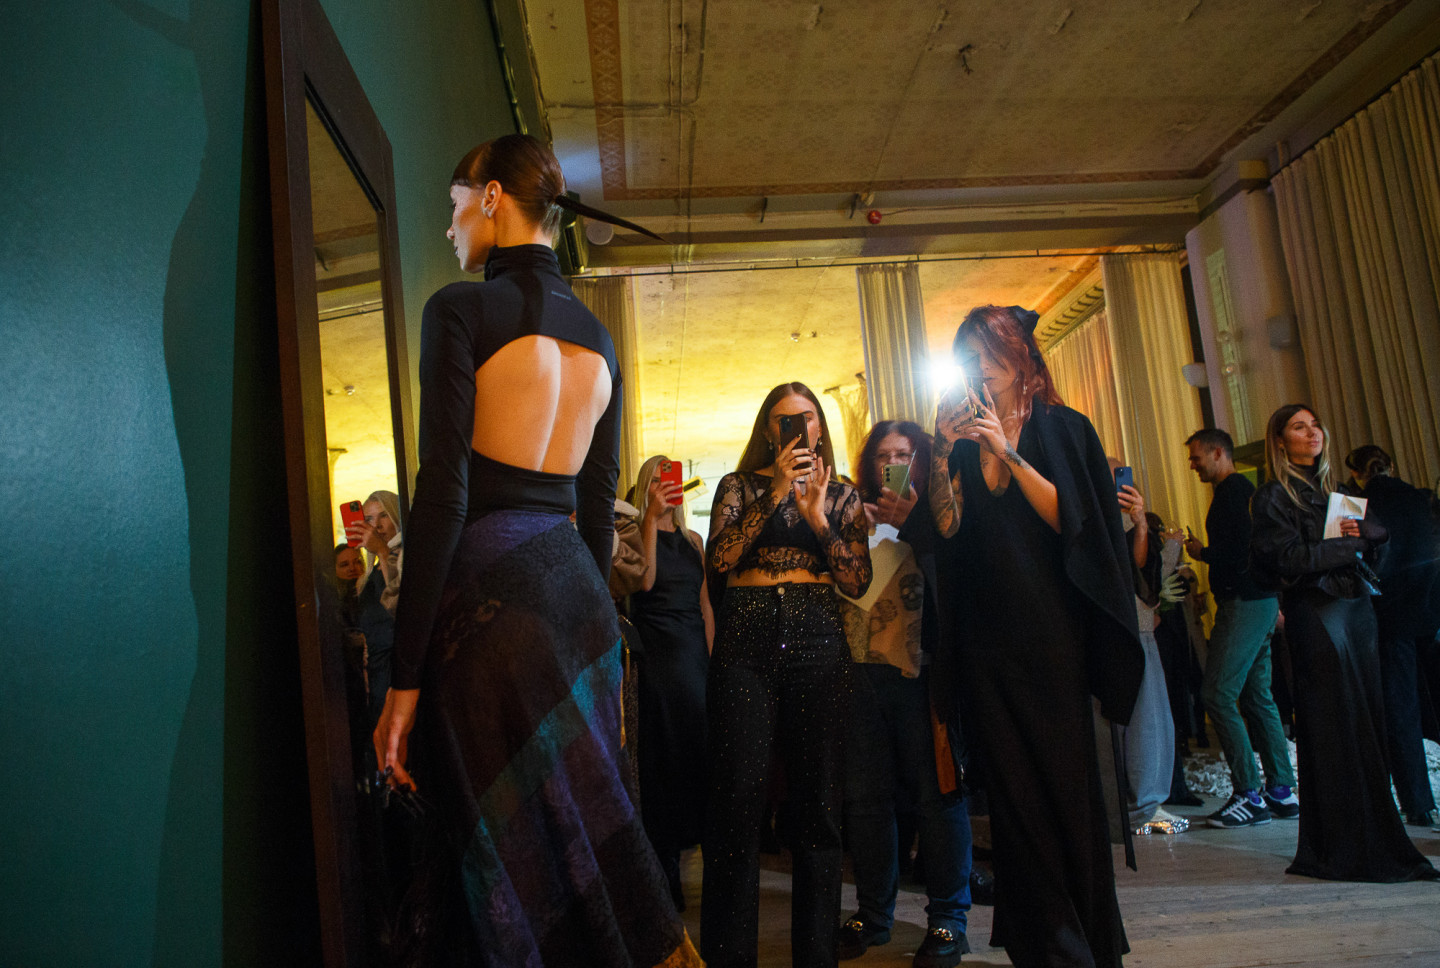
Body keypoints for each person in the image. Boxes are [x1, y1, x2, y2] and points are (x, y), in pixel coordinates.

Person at [373, 134, 699, 965]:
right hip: (578, 604)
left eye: (454, 207)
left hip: (490, 609)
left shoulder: (457, 311)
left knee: (500, 870)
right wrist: (597, 635)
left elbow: (443, 497)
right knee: (584, 846)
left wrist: (403, 682)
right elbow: (598, 500)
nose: (450, 227)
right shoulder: (601, 340)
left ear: (490, 197)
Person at [930, 305, 1142, 968]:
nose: (979, 366)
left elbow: (1077, 524)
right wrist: (942, 452)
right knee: (1014, 800)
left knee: (1064, 789)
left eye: (989, 351)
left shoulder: (1064, 427)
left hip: (1052, 639)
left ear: (1021, 354)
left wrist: (1006, 450)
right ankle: (1041, 942)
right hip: (984, 643)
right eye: (969, 356)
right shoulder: (965, 441)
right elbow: (945, 529)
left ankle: (1081, 940)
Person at [703, 382, 872, 968]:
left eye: (806, 418)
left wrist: (817, 516)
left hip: (817, 634)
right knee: (736, 801)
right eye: (783, 420)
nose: (795, 428)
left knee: (819, 807)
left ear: (820, 428)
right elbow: (721, 559)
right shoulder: (738, 485)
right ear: (768, 431)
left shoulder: (843, 495)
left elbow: (856, 582)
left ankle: (817, 957)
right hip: (745, 635)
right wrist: (777, 490)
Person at [1249, 404, 1437, 882]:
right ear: (1280, 440)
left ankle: (1371, 838)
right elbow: (1285, 560)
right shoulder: (1273, 496)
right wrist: (1350, 544)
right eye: (1299, 427)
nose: (1312, 432)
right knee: (1334, 726)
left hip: (1356, 612)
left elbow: (1373, 554)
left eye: (1315, 425)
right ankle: (1342, 847)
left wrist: (1373, 538)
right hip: (1316, 614)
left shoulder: (1338, 491)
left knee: (1366, 723)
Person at [835, 420, 973, 968]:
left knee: (937, 798)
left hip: (924, 674)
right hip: (860, 675)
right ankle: (873, 915)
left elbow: (958, 575)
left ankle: (949, 921)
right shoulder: (851, 515)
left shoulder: (941, 512)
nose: (892, 463)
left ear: (920, 460)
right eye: (883, 455)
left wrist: (912, 522)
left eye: (904, 454)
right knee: (867, 802)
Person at [1182, 428, 1299, 828]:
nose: (1193, 465)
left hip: (1244, 602)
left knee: (1216, 694)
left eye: (1197, 457)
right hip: (1260, 601)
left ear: (1218, 453)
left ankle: (1249, 794)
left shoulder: (1232, 493)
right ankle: (1281, 790)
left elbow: (1240, 550)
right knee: (1257, 697)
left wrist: (1203, 553)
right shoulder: (1242, 492)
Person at [629, 454, 715, 911]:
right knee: (661, 762)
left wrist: (714, 661)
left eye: (672, 478)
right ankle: (666, 874)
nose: (667, 485)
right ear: (646, 487)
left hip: (693, 656)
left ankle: (706, 861)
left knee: (699, 757)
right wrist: (650, 517)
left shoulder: (694, 541)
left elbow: (705, 606)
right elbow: (644, 584)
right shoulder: (632, 536)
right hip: (657, 657)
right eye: (657, 480)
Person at [1343, 445, 1440, 827]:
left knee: (1401, 710)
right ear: (1392, 465)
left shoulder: (1358, 504)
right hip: (1429, 608)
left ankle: (1418, 803)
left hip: (1390, 614)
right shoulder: (1419, 496)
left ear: (1356, 473)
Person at [1112, 476, 1186, 836]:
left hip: (1137, 623)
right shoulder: (1089, 513)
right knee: (1144, 719)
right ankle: (1141, 804)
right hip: (1123, 625)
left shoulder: (1130, 520)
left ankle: (1143, 802)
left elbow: (1144, 570)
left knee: (1149, 718)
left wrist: (1142, 524)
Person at [347, 489, 403, 720]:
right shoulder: (370, 574)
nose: (376, 525)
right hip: (376, 671)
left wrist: (382, 549)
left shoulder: (405, 557)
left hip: (398, 669)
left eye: (384, 515)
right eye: (369, 519)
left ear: (397, 516)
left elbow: (401, 604)